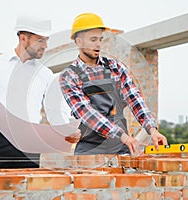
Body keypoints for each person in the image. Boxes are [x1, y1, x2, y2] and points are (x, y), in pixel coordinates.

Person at [0, 16, 80, 169]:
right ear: (23, 38)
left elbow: (54, 109)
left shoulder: (45, 74)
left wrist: (66, 129)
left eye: (46, 40)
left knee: (26, 192)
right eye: (40, 40)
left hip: (30, 145)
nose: (45, 46)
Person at [59, 13, 168, 155]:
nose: (98, 44)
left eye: (100, 39)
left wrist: (152, 130)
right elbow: (88, 114)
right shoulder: (69, 76)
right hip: (89, 151)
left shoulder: (115, 68)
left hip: (121, 147)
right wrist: (124, 137)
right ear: (79, 42)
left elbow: (135, 99)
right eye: (93, 40)